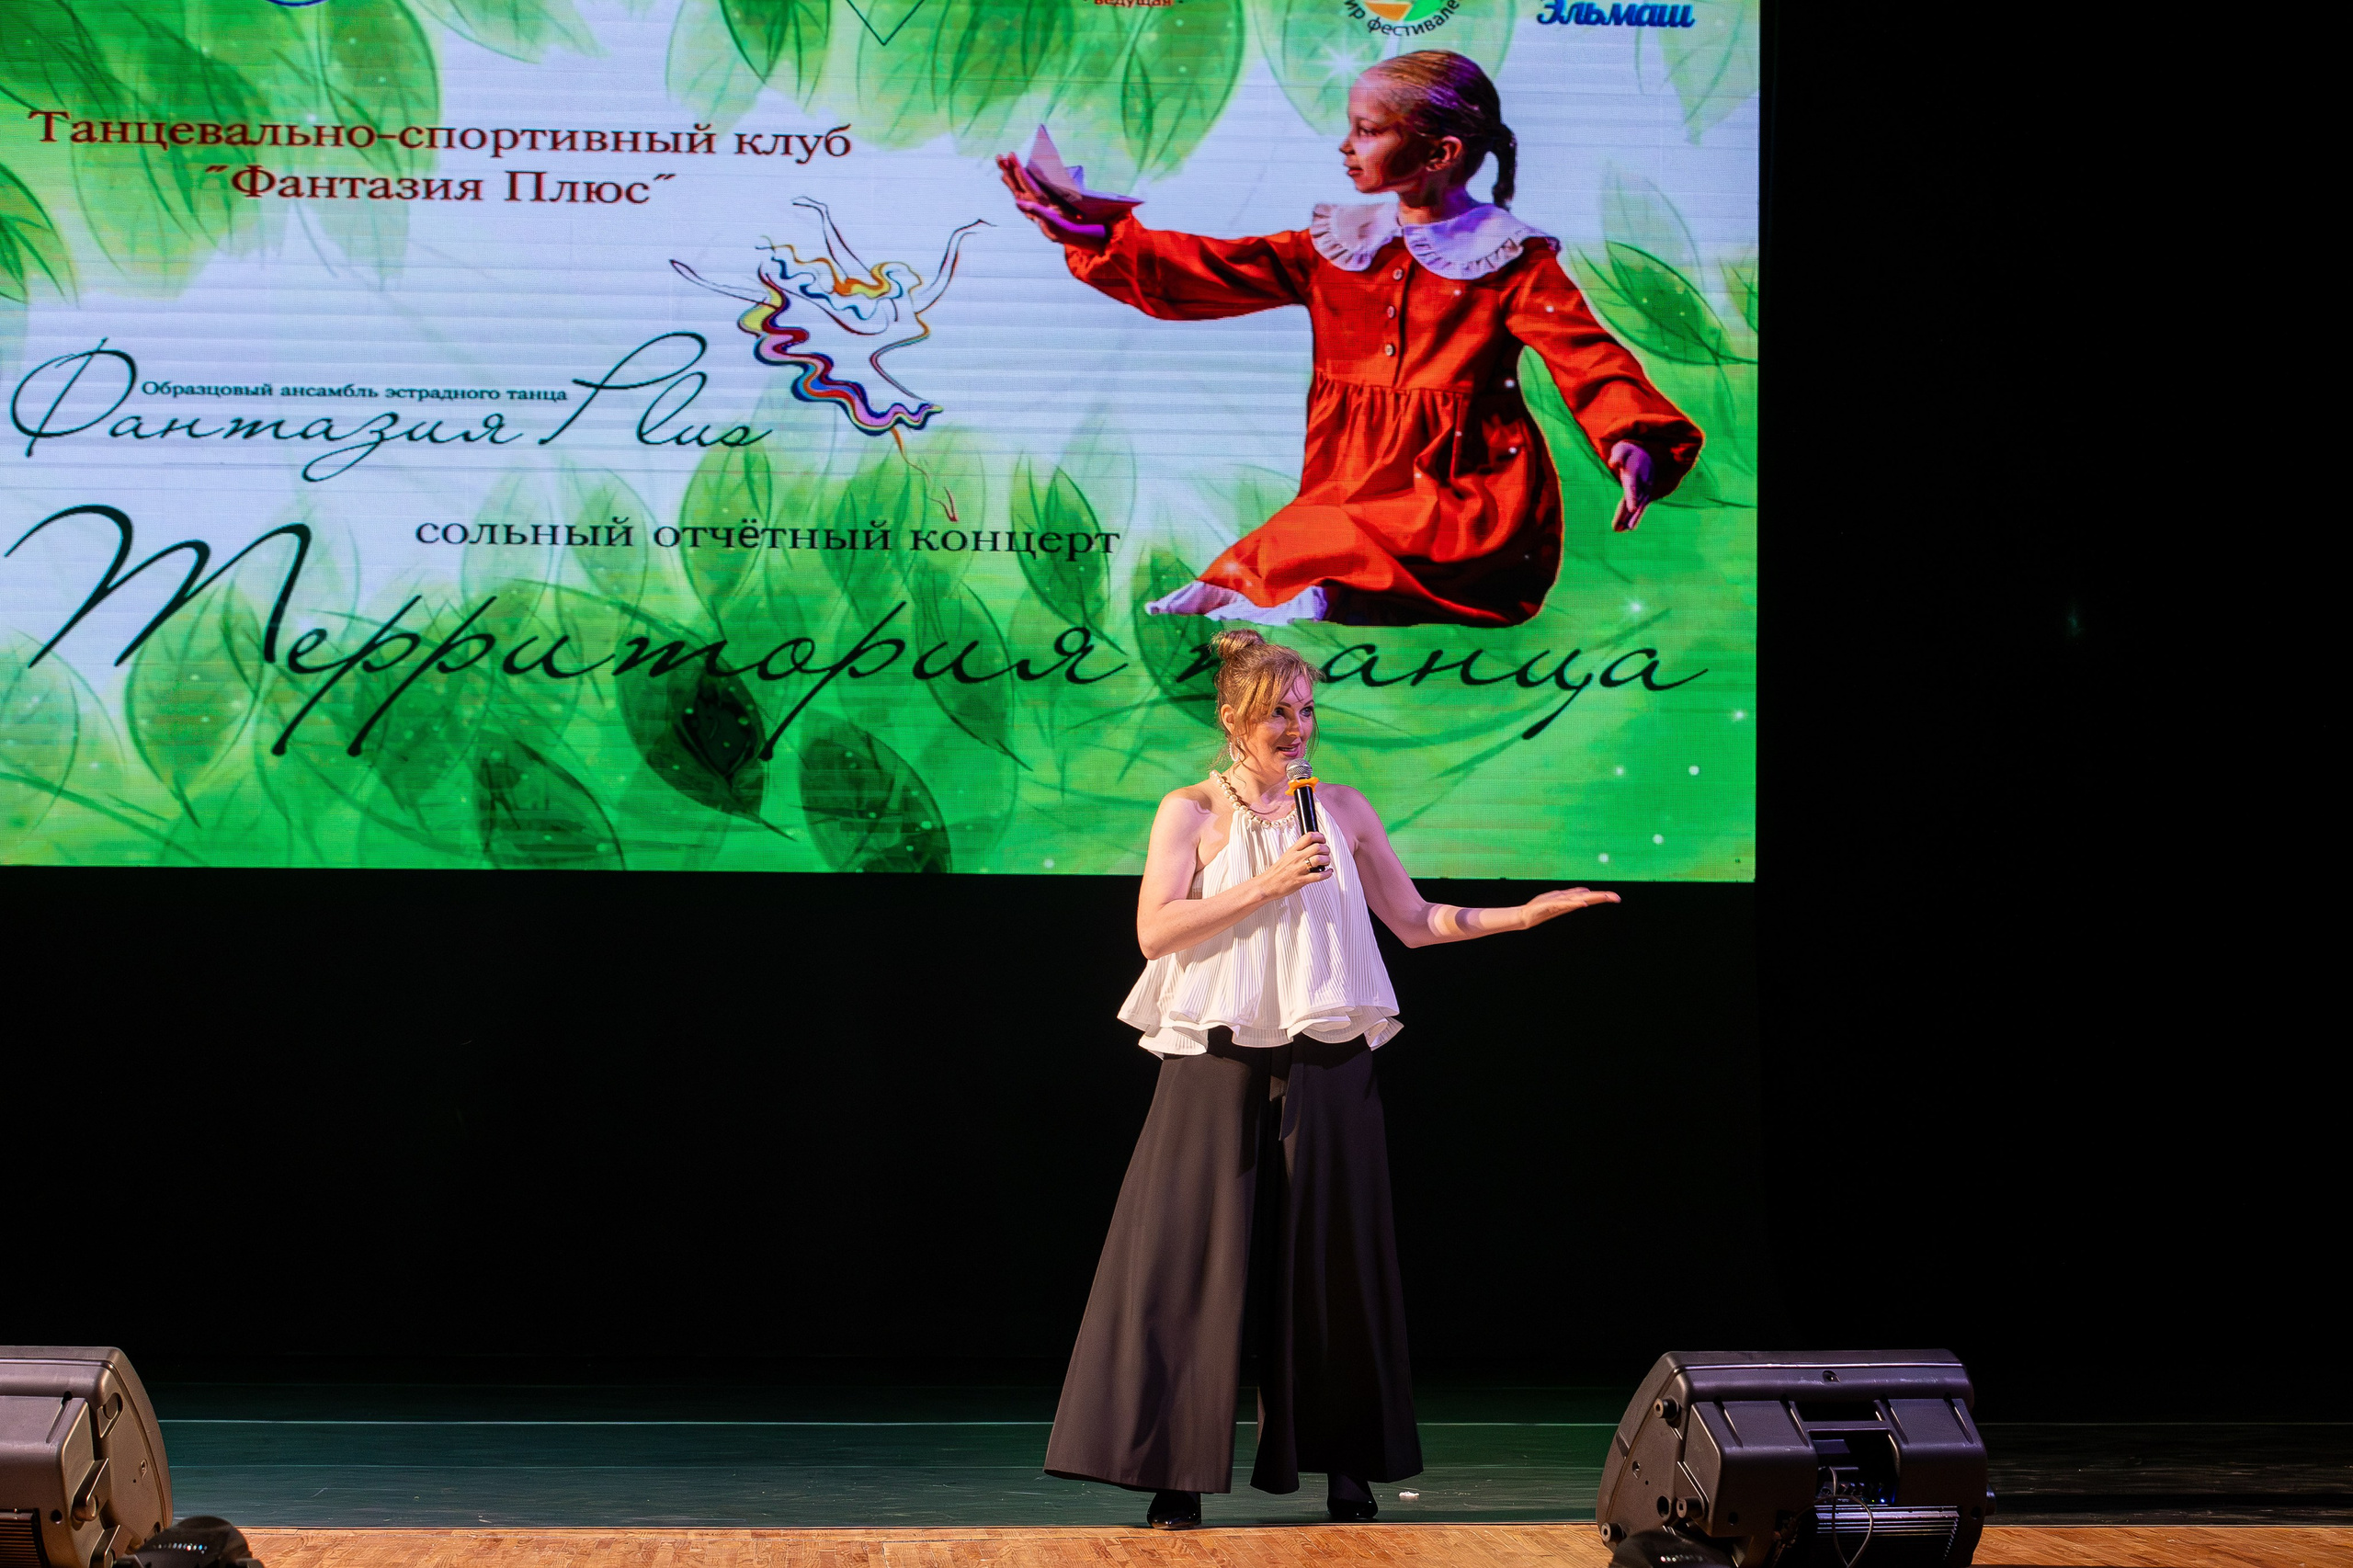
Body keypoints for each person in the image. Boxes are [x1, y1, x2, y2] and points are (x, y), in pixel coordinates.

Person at [1040, 629, 1620, 1528]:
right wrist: (1267, 883)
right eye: (1280, 710)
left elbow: (1415, 919)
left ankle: (1345, 1464)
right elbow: (1155, 932)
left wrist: (1520, 915)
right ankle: (1173, 1471)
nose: (1298, 726)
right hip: (1218, 1041)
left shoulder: (1340, 807)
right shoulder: (1189, 810)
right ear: (1234, 712)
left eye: (1308, 709)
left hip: (1327, 1035)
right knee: (1187, 1254)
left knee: (1336, 1255)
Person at [995, 50, 1703, 630]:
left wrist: (1631, 436)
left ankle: (1262, 589)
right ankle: (1292, 593)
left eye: (1368, 130)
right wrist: (1096, 235)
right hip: (1353, 470)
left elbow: (1587, 354)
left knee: (1316, 540)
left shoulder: (1510, 258)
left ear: (1440, 151)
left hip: (1466, 486)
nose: (1346, 146)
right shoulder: (1340, 243)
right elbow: (1214, 269)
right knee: (1324, 533)